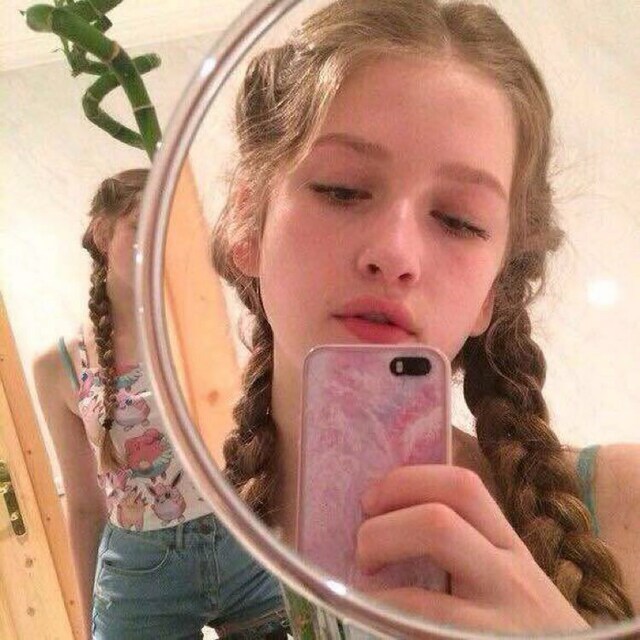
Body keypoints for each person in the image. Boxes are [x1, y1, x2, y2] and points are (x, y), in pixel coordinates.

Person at [211, 0, 640, 634]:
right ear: (248, 225)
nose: (395, 254)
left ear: (493, 291)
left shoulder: (626, 504)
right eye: (341, 189)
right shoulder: (175, 538)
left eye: (459, 221)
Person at [33, 169, 289, 640]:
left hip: (247, 548)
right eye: (140, 228)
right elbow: (85, 507)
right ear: (103, 234)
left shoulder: (217, 334)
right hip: (142, 575)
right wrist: (87, 626)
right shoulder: (60, 365)